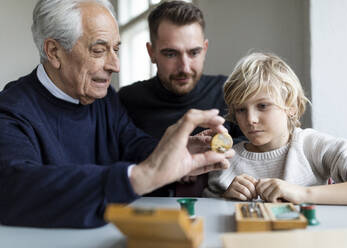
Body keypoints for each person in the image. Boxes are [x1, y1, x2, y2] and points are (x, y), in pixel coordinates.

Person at [0, 0, 234, 228]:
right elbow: (14, 188)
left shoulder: (104, 98)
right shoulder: (10, 110)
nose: (115, 65)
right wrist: (137, 178)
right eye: (99, 50)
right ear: (54, 52)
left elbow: (131, 142)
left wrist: (176, 151)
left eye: (116, 49)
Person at [205, 52, 347, 205]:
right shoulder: (226, 159)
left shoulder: (312, 146)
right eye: (241, 109)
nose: (250, 119)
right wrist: (225, 199)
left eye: (263, 106)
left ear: (291, 106)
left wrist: (303, 194)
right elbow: (205, 214)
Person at [118, 1, 243, 197]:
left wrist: (204, 157)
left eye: (194, 52)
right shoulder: (127, 100)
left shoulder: (229, 91)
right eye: (171, 54)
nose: (184, 67)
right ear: (151, 52)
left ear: (205, 48)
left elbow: (256, 146)